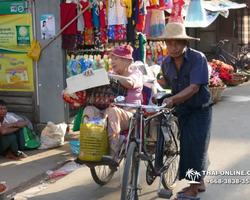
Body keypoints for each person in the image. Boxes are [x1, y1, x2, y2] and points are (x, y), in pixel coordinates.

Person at [160, 23, 213, 200]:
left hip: (200, 109)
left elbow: (194, 88)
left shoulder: (198, 58)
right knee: (194, 146)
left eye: (177, 44)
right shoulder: (166, 62)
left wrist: (172, 99)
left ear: (185, 44)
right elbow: (167, 85)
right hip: (182, 110)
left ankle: (192, 190)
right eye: (169, 44)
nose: (173, 48)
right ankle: (200, 181)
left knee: (193, 147)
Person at [82, 45, 143, 161]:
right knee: (89, 109)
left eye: (116, 59)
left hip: (130, 115)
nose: (112, 62)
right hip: (108, 113)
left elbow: (130, 83)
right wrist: (90, 74)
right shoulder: (110, 73)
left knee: (113, 111)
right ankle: (90, 150)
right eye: (112, 59)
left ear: (127, 61)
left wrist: (110, 76)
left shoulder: (136, 74)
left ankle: (113, 154)